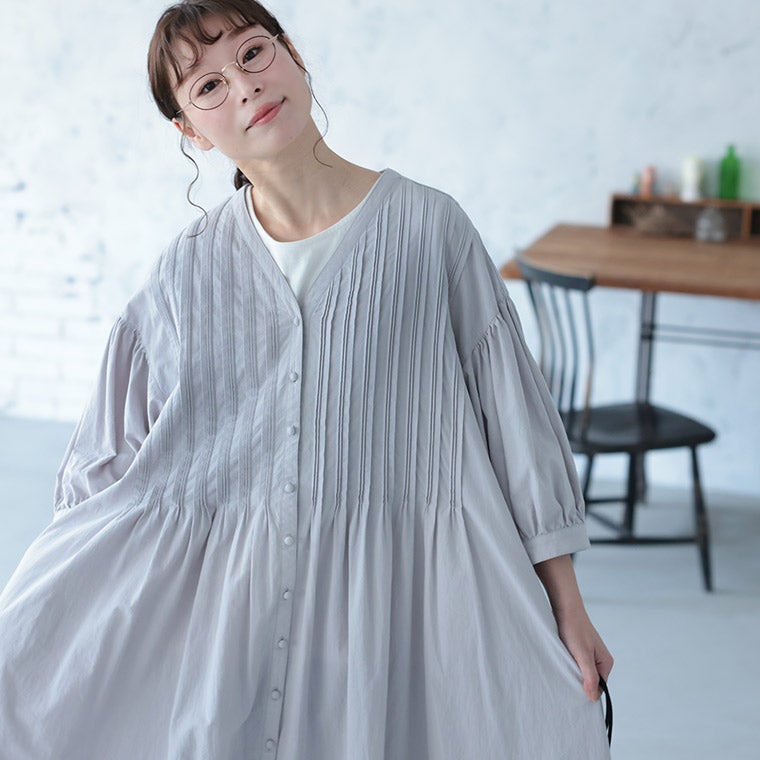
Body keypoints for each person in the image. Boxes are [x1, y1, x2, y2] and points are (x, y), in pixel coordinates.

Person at [0, 0, 613, 757]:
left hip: (411, 601)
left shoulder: (430, 229)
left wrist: (566, 604)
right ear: (191, 130)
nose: (245, 86)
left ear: (291, 54)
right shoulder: (186, 270)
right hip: (231, 620)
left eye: (253, 54)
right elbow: (105, 463)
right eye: (208, 86)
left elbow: (514, 423)